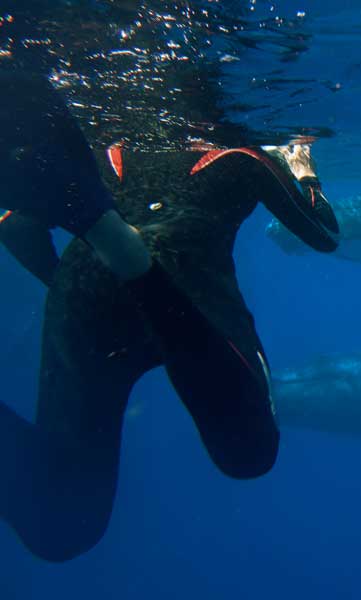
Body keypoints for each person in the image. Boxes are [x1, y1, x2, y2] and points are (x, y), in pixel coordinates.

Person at [0, 48, 338, 561]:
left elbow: (18, 228)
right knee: (250, 454)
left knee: (63, 524)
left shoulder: (100, 149)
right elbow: (325, 236)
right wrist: (303, 168)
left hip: (85, 284)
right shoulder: (243, 158)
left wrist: (69, 291)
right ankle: (131, 261)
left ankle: (117, 249)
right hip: (189, 291)